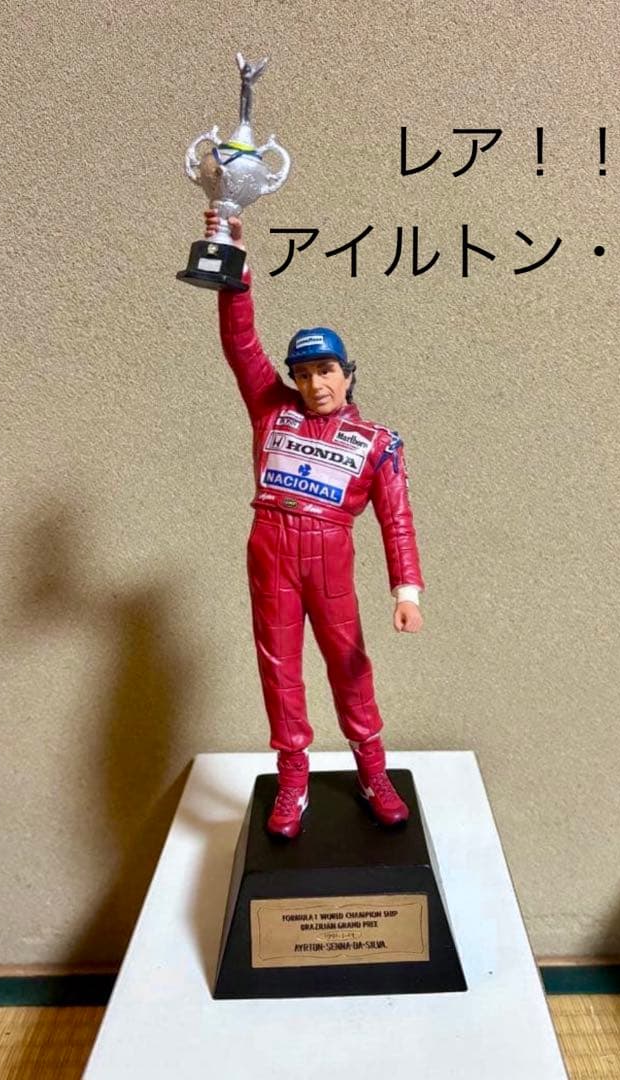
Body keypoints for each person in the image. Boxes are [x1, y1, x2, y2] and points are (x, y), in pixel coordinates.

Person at [207, 210, 424, 838]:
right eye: (302, 373)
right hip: (270, 549)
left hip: (329, 556)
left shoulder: (377, 441)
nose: (314, 384)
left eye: (325, 370)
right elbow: (240, 343)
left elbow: (397, 519)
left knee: (348, 663)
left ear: (348, 373)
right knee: (279, 667)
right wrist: (234, 264)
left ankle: (373, 770)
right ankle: (293, 778)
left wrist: (406, 591)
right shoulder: (271, 408)